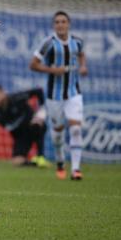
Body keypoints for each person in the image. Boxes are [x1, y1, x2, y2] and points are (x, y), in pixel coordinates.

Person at [30, 10, 88, 180]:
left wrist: (83, 67)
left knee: (76, 129)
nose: (60, 24)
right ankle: (61, 161)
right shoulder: (48, 43)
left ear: (68, 24)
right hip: (54, 96)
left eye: (63, 21)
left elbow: (82, 54)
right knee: (57, 133)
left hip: (73, 93)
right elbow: (33, 65)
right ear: (54, 25)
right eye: (57, 22)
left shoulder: (77, 42)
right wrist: (52, 70)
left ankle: (76, 169)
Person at [0, 85, 51, 168]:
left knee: (38, 123)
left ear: (3, 92)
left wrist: (42, 109)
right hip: (20, 137)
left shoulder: (16, 98)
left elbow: (38, 91)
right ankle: (36, 164)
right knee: (16, 162)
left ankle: (41, 157)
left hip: (31, 126)